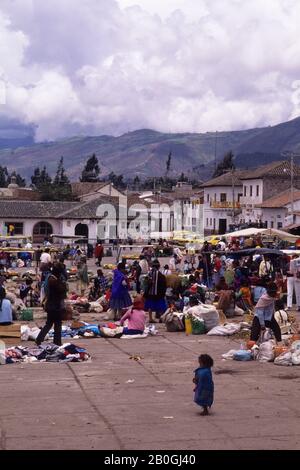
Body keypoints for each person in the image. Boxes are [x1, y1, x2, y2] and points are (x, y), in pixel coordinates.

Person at [36, 264, 68, 346]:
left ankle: (39, 339)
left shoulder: (51, 278)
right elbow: (62, 290)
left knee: (49, 324)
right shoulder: (53, 280)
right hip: (54, 306)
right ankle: (57, 342)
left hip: (51, 305)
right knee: (57, 325)